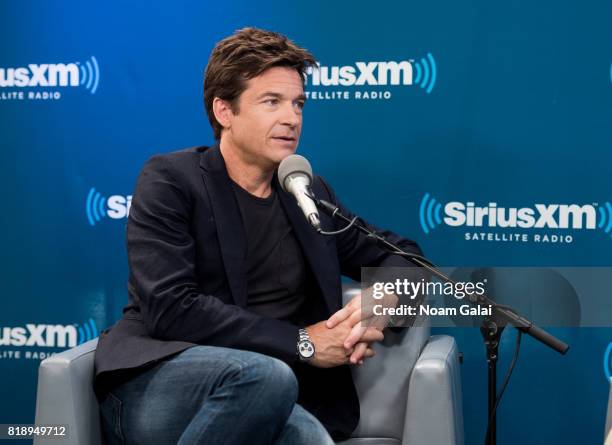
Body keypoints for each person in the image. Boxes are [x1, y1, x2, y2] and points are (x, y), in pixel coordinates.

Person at [94, 27, 422, 444]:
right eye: (272, 102)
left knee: (308, 436)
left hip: (271, 394)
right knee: (265, 375)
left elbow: (406, 256)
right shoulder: (171, 181)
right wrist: (303, 343)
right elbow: (170, 307)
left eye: (298, 103)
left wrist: (387, 294)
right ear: (224, 111)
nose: (292, 118)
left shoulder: (307, 192)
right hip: (159, 383)